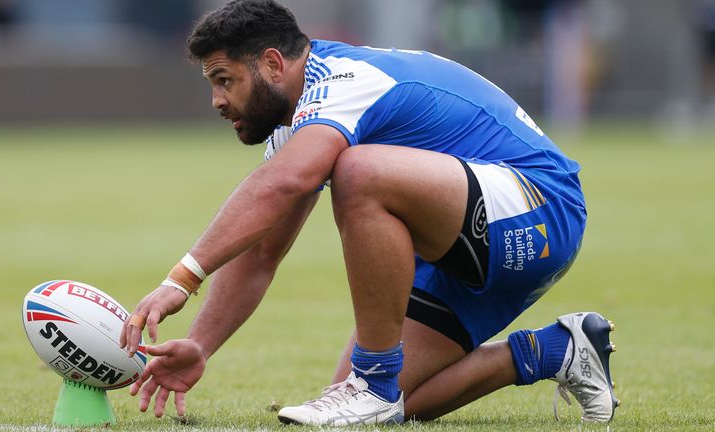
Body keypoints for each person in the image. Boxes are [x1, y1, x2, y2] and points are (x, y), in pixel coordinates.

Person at [119, 0, 619, 425]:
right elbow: (261, 252)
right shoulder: (298, 121)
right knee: (392, 408)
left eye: (225, 80)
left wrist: (182, 278)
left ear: (273, 64)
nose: (217, 100)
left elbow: (280, 184)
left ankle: (375, 383)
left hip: (540, 209)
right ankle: (556, 350)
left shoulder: (340, 82)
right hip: (462, 241)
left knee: (359, 172)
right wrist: (201, 345)